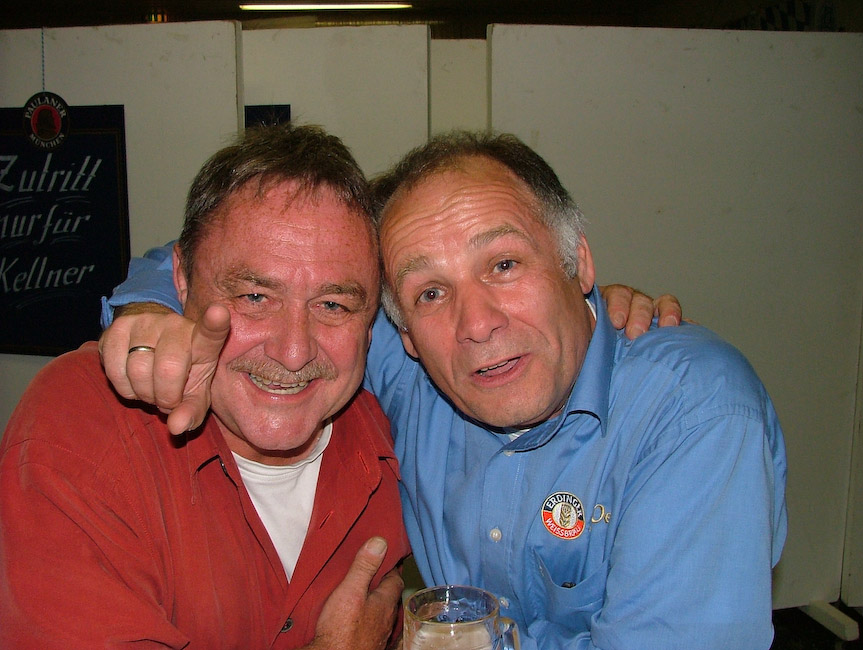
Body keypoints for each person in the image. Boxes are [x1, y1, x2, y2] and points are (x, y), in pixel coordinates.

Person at [97, 131, 780, 650]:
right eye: (429, 291)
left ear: (577, 264)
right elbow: (238, 257)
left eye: (504, 264)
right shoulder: (410, 368)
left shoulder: (692, 412)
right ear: (401, 332)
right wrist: (154, 315)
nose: (476, 323)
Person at [0, 124, 411, 649]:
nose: (294, 352)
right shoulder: (84, 426)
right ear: (181, 280)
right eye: (255, 297)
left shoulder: (391, 447)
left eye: (333, 305)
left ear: (372, 319)